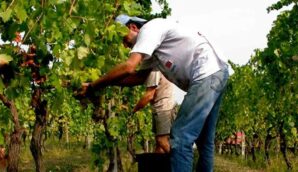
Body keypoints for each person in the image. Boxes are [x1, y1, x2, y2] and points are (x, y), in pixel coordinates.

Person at [80, 14, 229, 172]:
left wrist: (93, 86)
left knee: (180, 137)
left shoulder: (149, 30)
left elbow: (129, 67)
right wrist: (105, 83)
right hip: (217, 72)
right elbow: (138, 77)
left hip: (206, 72)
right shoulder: (154, 49)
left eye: (123, 39)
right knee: (204, 141)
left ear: (133, 27)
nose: (124, 45)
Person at [133, 70, 176, 153]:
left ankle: (179, 164)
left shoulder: (155, 70)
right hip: (163, 108)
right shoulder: (161, 67)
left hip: (163, 108)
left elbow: (149, 95)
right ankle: (157, 166)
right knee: (159, 145)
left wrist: (134, 109)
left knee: (162, 140)